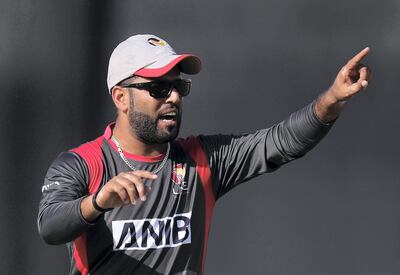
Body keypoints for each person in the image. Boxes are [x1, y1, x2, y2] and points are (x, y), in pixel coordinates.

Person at [37, 34, 370, 275]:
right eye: (157, 89)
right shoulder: (83, 163)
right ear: (121, 98)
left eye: (178, 87)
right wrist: (97, 202)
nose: (173, 98)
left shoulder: (200, 159)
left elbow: (279, 142)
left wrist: (332, 100)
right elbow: (50, 225)